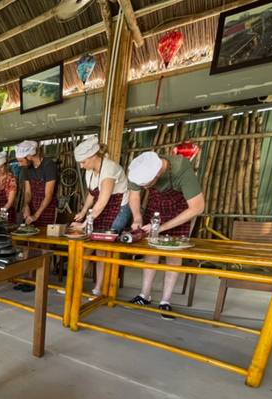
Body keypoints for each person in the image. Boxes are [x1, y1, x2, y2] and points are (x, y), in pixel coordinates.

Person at [127, 151, 205, 319]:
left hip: (179, 212)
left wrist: (162, 227)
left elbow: (197, 207)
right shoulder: (139, 166)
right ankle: (144, 295)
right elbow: (134, 195)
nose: (146, 188)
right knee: (151, 251)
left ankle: (165, 301)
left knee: (174, 254)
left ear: (158, 174)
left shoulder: (181, 168)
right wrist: (137, 217)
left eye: (148, 185)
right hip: (155, 209)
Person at [70, 135, 131, 297]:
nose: (82, 166)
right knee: (87, 247)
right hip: (100, 209)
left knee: (102, 249)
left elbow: (103, 200)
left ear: (93, 157)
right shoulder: (90, 171)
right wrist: (83, 213)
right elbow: (92, 194)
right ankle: (76, 284)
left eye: (83, 162)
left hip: (118, 209)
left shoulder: (110, 168)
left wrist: (85, 224)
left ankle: (99, 287)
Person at [16, 140, 57, 227]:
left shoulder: (49, 166)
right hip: (33, 206)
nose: (19, 164)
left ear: (29, 156)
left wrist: (36, 215)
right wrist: (27, 206)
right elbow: (27, 192)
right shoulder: (26, 169)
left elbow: (49, 195)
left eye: (21, 161)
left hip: (47, 208)